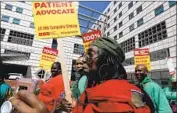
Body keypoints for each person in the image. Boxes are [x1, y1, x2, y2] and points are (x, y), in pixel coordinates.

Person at [9, 37, 151, 113]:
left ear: (107, 61)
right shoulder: (92, 92)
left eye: (90, 54)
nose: (83, 60)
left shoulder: (119, 99)